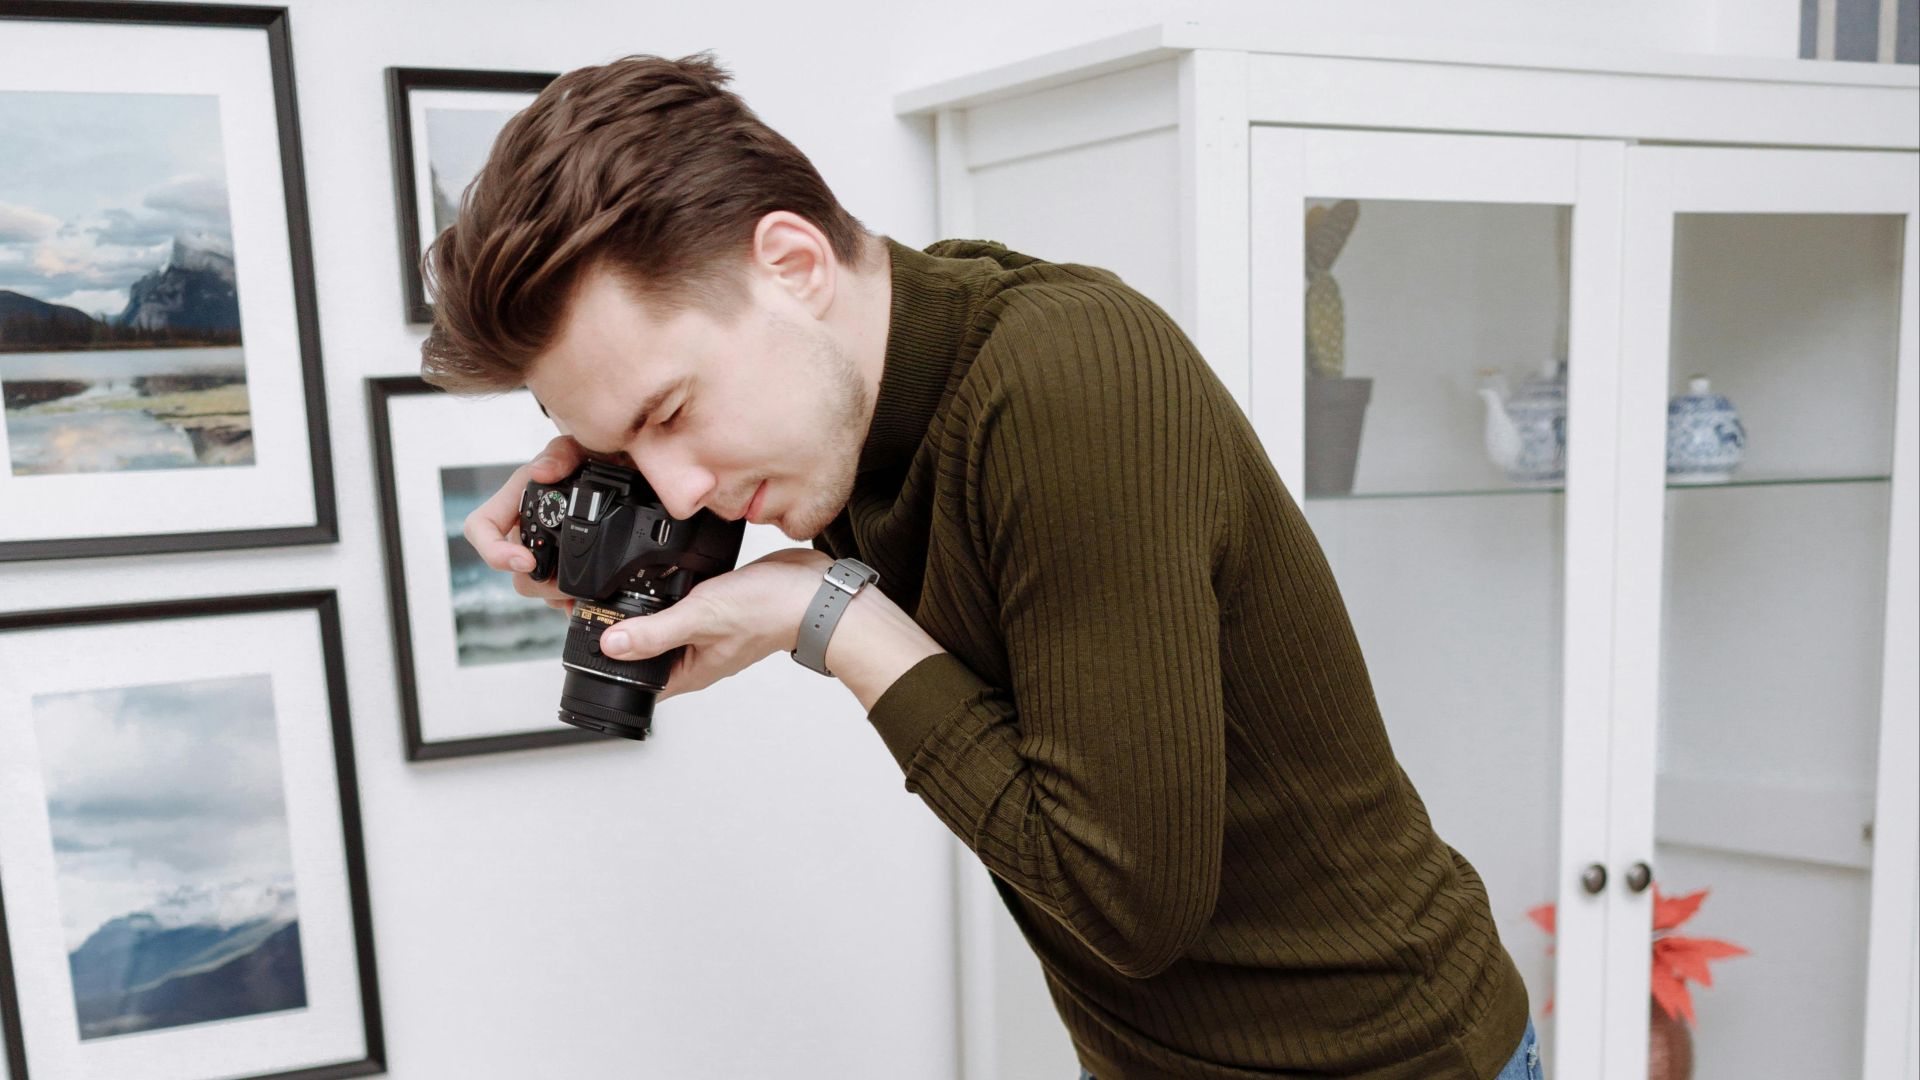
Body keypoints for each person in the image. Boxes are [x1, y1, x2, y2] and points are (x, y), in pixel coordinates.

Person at [422, 52, 1542, 1080]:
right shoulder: (841, 421)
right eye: (632, 446)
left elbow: (1125, 908)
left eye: (671, 410)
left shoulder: (1065, 378)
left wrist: (831, 618)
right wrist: (601, 487)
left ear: (792, 263)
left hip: (1391, 1060)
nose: (675, 487)